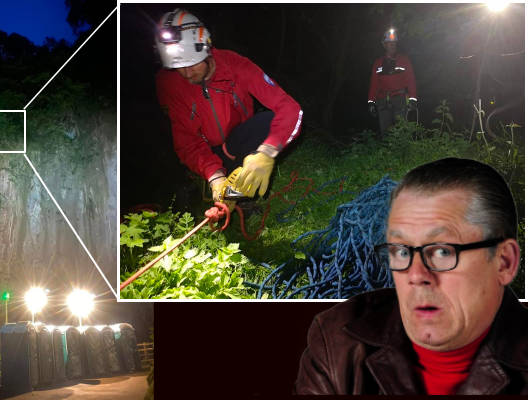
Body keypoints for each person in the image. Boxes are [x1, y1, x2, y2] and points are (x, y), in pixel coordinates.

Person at [295, 158, 526, 395]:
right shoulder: (337, 342)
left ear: (504, 262)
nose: (415, 275)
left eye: (442, 251)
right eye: (402, 251)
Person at [154, 8, 303, 202]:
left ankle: (240, 195)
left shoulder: (236, 66)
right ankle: (223, 195)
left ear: (206, 48)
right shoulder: (170, 84)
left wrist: (266, 152)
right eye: (178, 67)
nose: (187, 74)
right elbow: (187, 141)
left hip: (238, 144)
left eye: (192, 63)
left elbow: (290, 108)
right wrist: (215, 176)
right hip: (207, 152)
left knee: (266, 122)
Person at [367, 28, 418, 138]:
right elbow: (374, 83)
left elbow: (411, 80)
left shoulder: (404, 60)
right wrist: (371, 101)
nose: (392, 45)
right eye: (389, 43)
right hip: (383, 100)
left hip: (400, 100)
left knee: (402, 131)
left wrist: (413, 99)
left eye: (394, 43)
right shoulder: (378, 63)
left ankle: (403, 154)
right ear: (384, 45)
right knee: (385, 132)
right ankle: (388, 154)